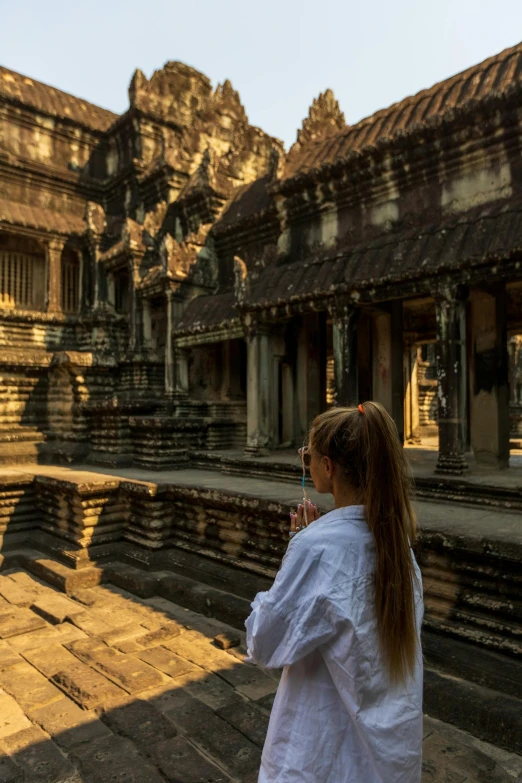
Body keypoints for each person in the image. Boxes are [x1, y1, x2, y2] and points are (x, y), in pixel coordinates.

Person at [245, 402, 423, 783]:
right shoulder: (401, 551)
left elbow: (263, 642)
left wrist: (298, 552)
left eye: (307, 456)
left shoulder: (317, 549)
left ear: (327, 467)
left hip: (321, 755)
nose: (306, 464)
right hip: (387, 757)